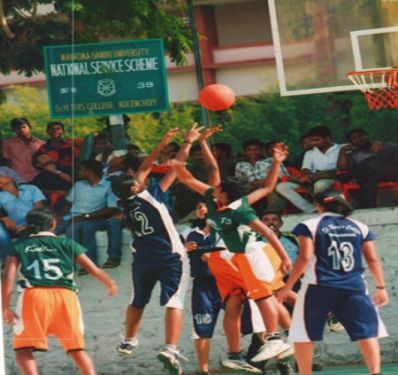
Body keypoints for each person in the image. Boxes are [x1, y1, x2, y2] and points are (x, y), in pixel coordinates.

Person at [168, 138, 295, 366]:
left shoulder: (240, 209)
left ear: (225, 193)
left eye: (217, 188)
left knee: (266, 296)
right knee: (235, 302)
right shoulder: (213, 199)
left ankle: (278, 338)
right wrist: (179, 162)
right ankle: (235, 355)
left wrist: (285, 257)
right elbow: (188, 177)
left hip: (255, 253)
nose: (212, 188)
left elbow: (268, 222)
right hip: (234, 257)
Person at [110, 124, 202, 375]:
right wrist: (186, 142)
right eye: (138, 181)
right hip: (170, 256)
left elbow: (143, 169)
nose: (142, 179)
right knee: (175, 301)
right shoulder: (151, 195)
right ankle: (170, 348)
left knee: (138, 299)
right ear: (134, 187)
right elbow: (175, 166)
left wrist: (162, 145)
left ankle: (129, 340)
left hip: (142, 258)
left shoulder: (124, 204)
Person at [277, 189, 389, 375]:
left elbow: (304, 258)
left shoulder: (310, 225)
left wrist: (287, 287)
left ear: (318, 205)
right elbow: (372, 259)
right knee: (367, 332)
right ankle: (375, 372)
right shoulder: (359, 226)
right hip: (354, 286)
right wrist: (381, 287)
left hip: (318, 286)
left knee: (303, 334)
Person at [2, 207, 118, 375]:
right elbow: (94, 270)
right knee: (76, 349)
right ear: (53, 224)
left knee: (23, 349)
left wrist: (5, 308)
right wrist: (110, 283)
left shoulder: (20, 245)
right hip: (66, 296)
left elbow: (9, 278)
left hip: (34, 296)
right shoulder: (67, 243)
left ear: (28, 226)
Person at [57, 159, 123, 270]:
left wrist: (85, 216)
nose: (78, 172)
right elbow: (68, 203)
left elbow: (111, 209)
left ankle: (79, 264)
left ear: (90, 172)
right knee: (50, 231)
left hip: (90, 218)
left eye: (81, 170)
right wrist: (58, 217)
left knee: (73, 229)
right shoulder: (78, 185)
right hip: (70, 216)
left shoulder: (108, 186)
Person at [276, 126, 342, 212]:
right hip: (311, 179)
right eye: (311, 141)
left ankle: (321, 207)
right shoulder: (310, 153)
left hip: (331, 178)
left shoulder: (340, 148)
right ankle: (311, 209)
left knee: (320, 184)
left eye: (317, 140)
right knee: (282, 187)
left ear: (327, 138)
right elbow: (306, 168)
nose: (314, 143)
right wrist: (305, 175)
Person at [337, 128, 398, 208]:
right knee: (367, 176)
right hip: (368, 178)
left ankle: (349, 175)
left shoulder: (380, 145)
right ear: (351, 142)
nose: (358, 139)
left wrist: (383, 147)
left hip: (388, 174)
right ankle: (371, 207)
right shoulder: (352, 155)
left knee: (365, 166)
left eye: (361, 136)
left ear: (366, 136)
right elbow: (342, 168)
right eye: (354, 138)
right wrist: (342, 150)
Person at [0, 176, 46, 263]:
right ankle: (7, 260)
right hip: (15, 226)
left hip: (34, 221)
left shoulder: (31, 188)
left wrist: (27, 225)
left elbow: (39, 209)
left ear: (11, 178)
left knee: (31, 239)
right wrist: (4, 218)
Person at [2, 117, 44, 182]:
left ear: (30, 127)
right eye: (18, 128)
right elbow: (7, 163)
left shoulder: (41, 144)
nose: (22, 129)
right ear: (13, 130)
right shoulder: (8, 144)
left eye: (24, 127)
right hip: (18, 178)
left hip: (39, 177)